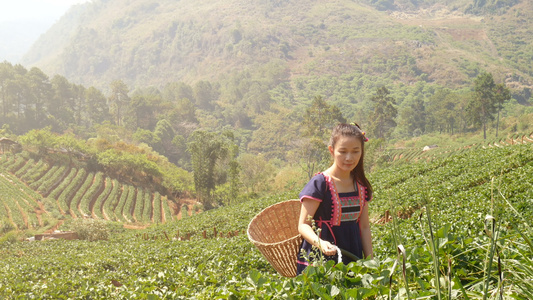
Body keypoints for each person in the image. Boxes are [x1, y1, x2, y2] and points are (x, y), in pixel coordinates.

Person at [296, 122, 373, 274]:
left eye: (355, 151)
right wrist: (321, 243)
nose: (349, 158)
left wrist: (370, 261)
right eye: (343, 152)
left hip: (352, 255)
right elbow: (303, 225)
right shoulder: (320, 183)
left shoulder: (361, 185)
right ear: (332, 150)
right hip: (321, 258)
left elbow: (364, 227)